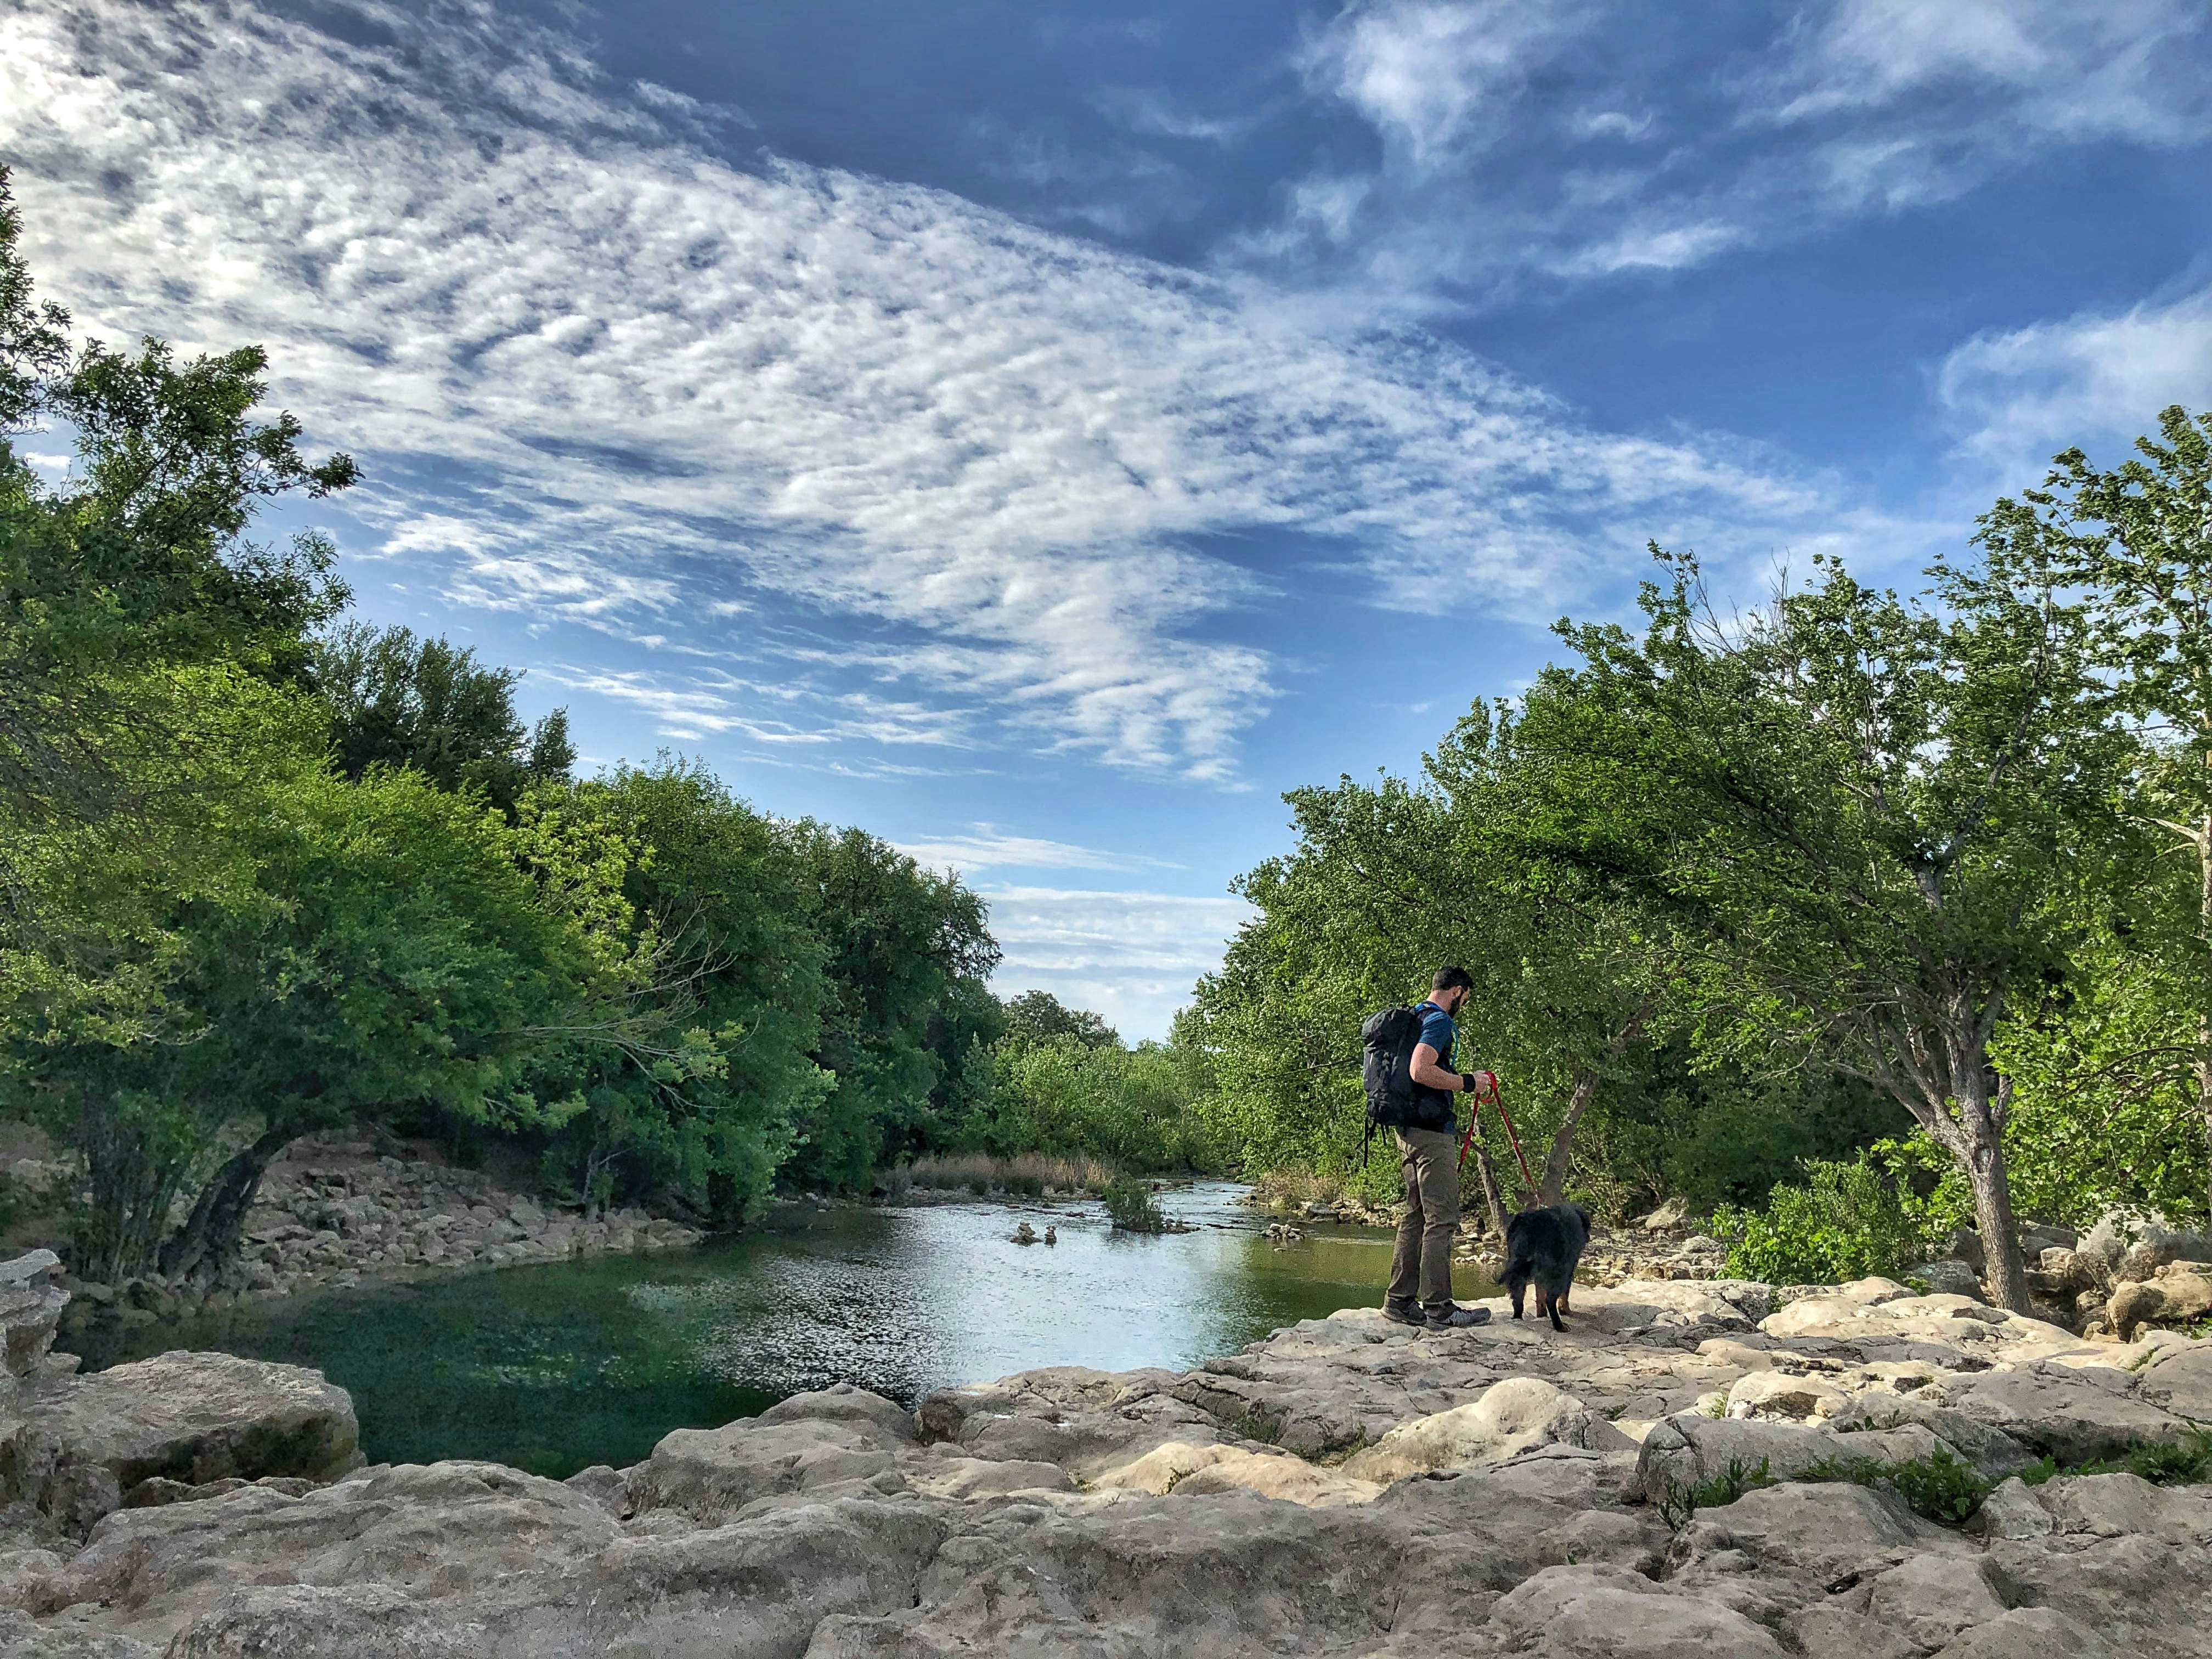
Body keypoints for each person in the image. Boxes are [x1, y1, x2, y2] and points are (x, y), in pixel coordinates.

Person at [1384, 966, 1498, 1331]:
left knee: (1415, 1214)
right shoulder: (1440, 1023)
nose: (1465, 1004)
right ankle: (1440, 1309)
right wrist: (1469, 1083)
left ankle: (1399, 1303)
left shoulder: (1415, 1015)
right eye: (1466, 998)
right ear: (1458, 992)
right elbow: (1421, 1070)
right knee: (1442, 1218)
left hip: (1406, 1130)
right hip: (1432, 1133)